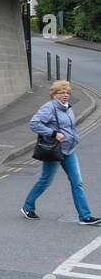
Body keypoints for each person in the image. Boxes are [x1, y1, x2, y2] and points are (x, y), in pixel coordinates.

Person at [22, 80, 101, 224]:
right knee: (46, 181)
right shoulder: (49, 108)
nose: (65, 95)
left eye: (67, 92)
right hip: (54, 151)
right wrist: (53, 134)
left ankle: (85, 216)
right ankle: (28, 206)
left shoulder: (68, 107)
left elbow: (70, 127)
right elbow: (34, 123)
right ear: (54, 94)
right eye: (61, 92)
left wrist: (74, 137)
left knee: (77, 183)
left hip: (69, 150)